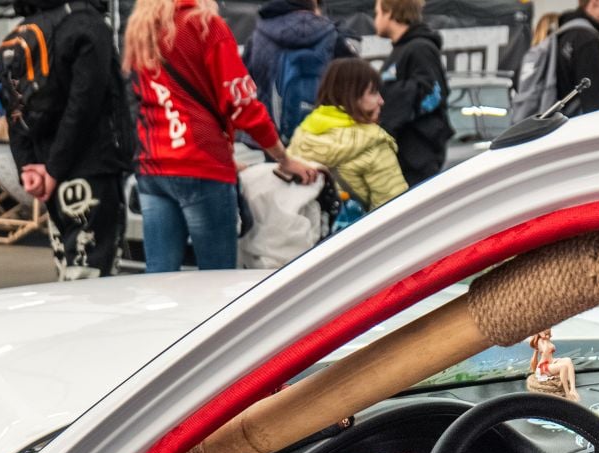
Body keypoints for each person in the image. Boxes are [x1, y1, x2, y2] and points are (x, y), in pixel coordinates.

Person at [125, 0, 317, 272]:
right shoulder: (205, 26)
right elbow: (243, 105)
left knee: (158, 277)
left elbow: (148, 101)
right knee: (217, 277)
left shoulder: (142, 29)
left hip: (153, 166)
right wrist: (284, 159)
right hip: (201, 165)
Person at [1, 0, 132, 280]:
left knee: (68, 265)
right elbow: (84, 104)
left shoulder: (22, 32)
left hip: (47, 172)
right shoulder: (87, 25)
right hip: (91, 168)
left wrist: (29, 165)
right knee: (93, 271)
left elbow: (13, 108)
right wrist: (54, 168)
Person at [288, 58, 406, 212]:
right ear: (352, 95)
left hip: (313, 225)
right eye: (373, 92)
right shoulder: (374, 143)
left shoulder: (304, 133)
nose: (381, 101)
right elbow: (395, 209)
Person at [375, 0, 451, 188]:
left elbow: (433, 92)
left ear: (389, 12)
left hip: (417, 158)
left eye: (377, 13)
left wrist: (386, 94)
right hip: (402, 158)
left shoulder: (420, 48)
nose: (374, 20)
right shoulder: (401, 49)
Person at [247, 0, 349, 138]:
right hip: (325, 134)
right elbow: (353, 83)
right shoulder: (333, 34)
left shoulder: (258, 36)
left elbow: (245, 83)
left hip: (271, 135)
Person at [556, 0, 599, 115]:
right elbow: (596, 105)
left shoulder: (563, 35)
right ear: (596, 2)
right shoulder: (587, 41)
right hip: (578, 124)